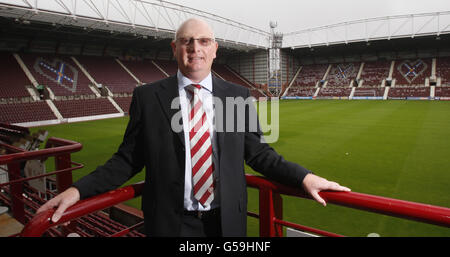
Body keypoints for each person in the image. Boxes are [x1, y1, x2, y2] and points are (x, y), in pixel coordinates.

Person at [37, 18, 350, 237]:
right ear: (174, 48)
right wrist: (78, 190)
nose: (194, 48)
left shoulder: (235, 96)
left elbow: (258, 153)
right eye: (186, 41)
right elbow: (127, 159)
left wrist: (304, 177)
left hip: (226, 222)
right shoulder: (148, 97)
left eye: (203, 41)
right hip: (170, 224)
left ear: (215, 49)